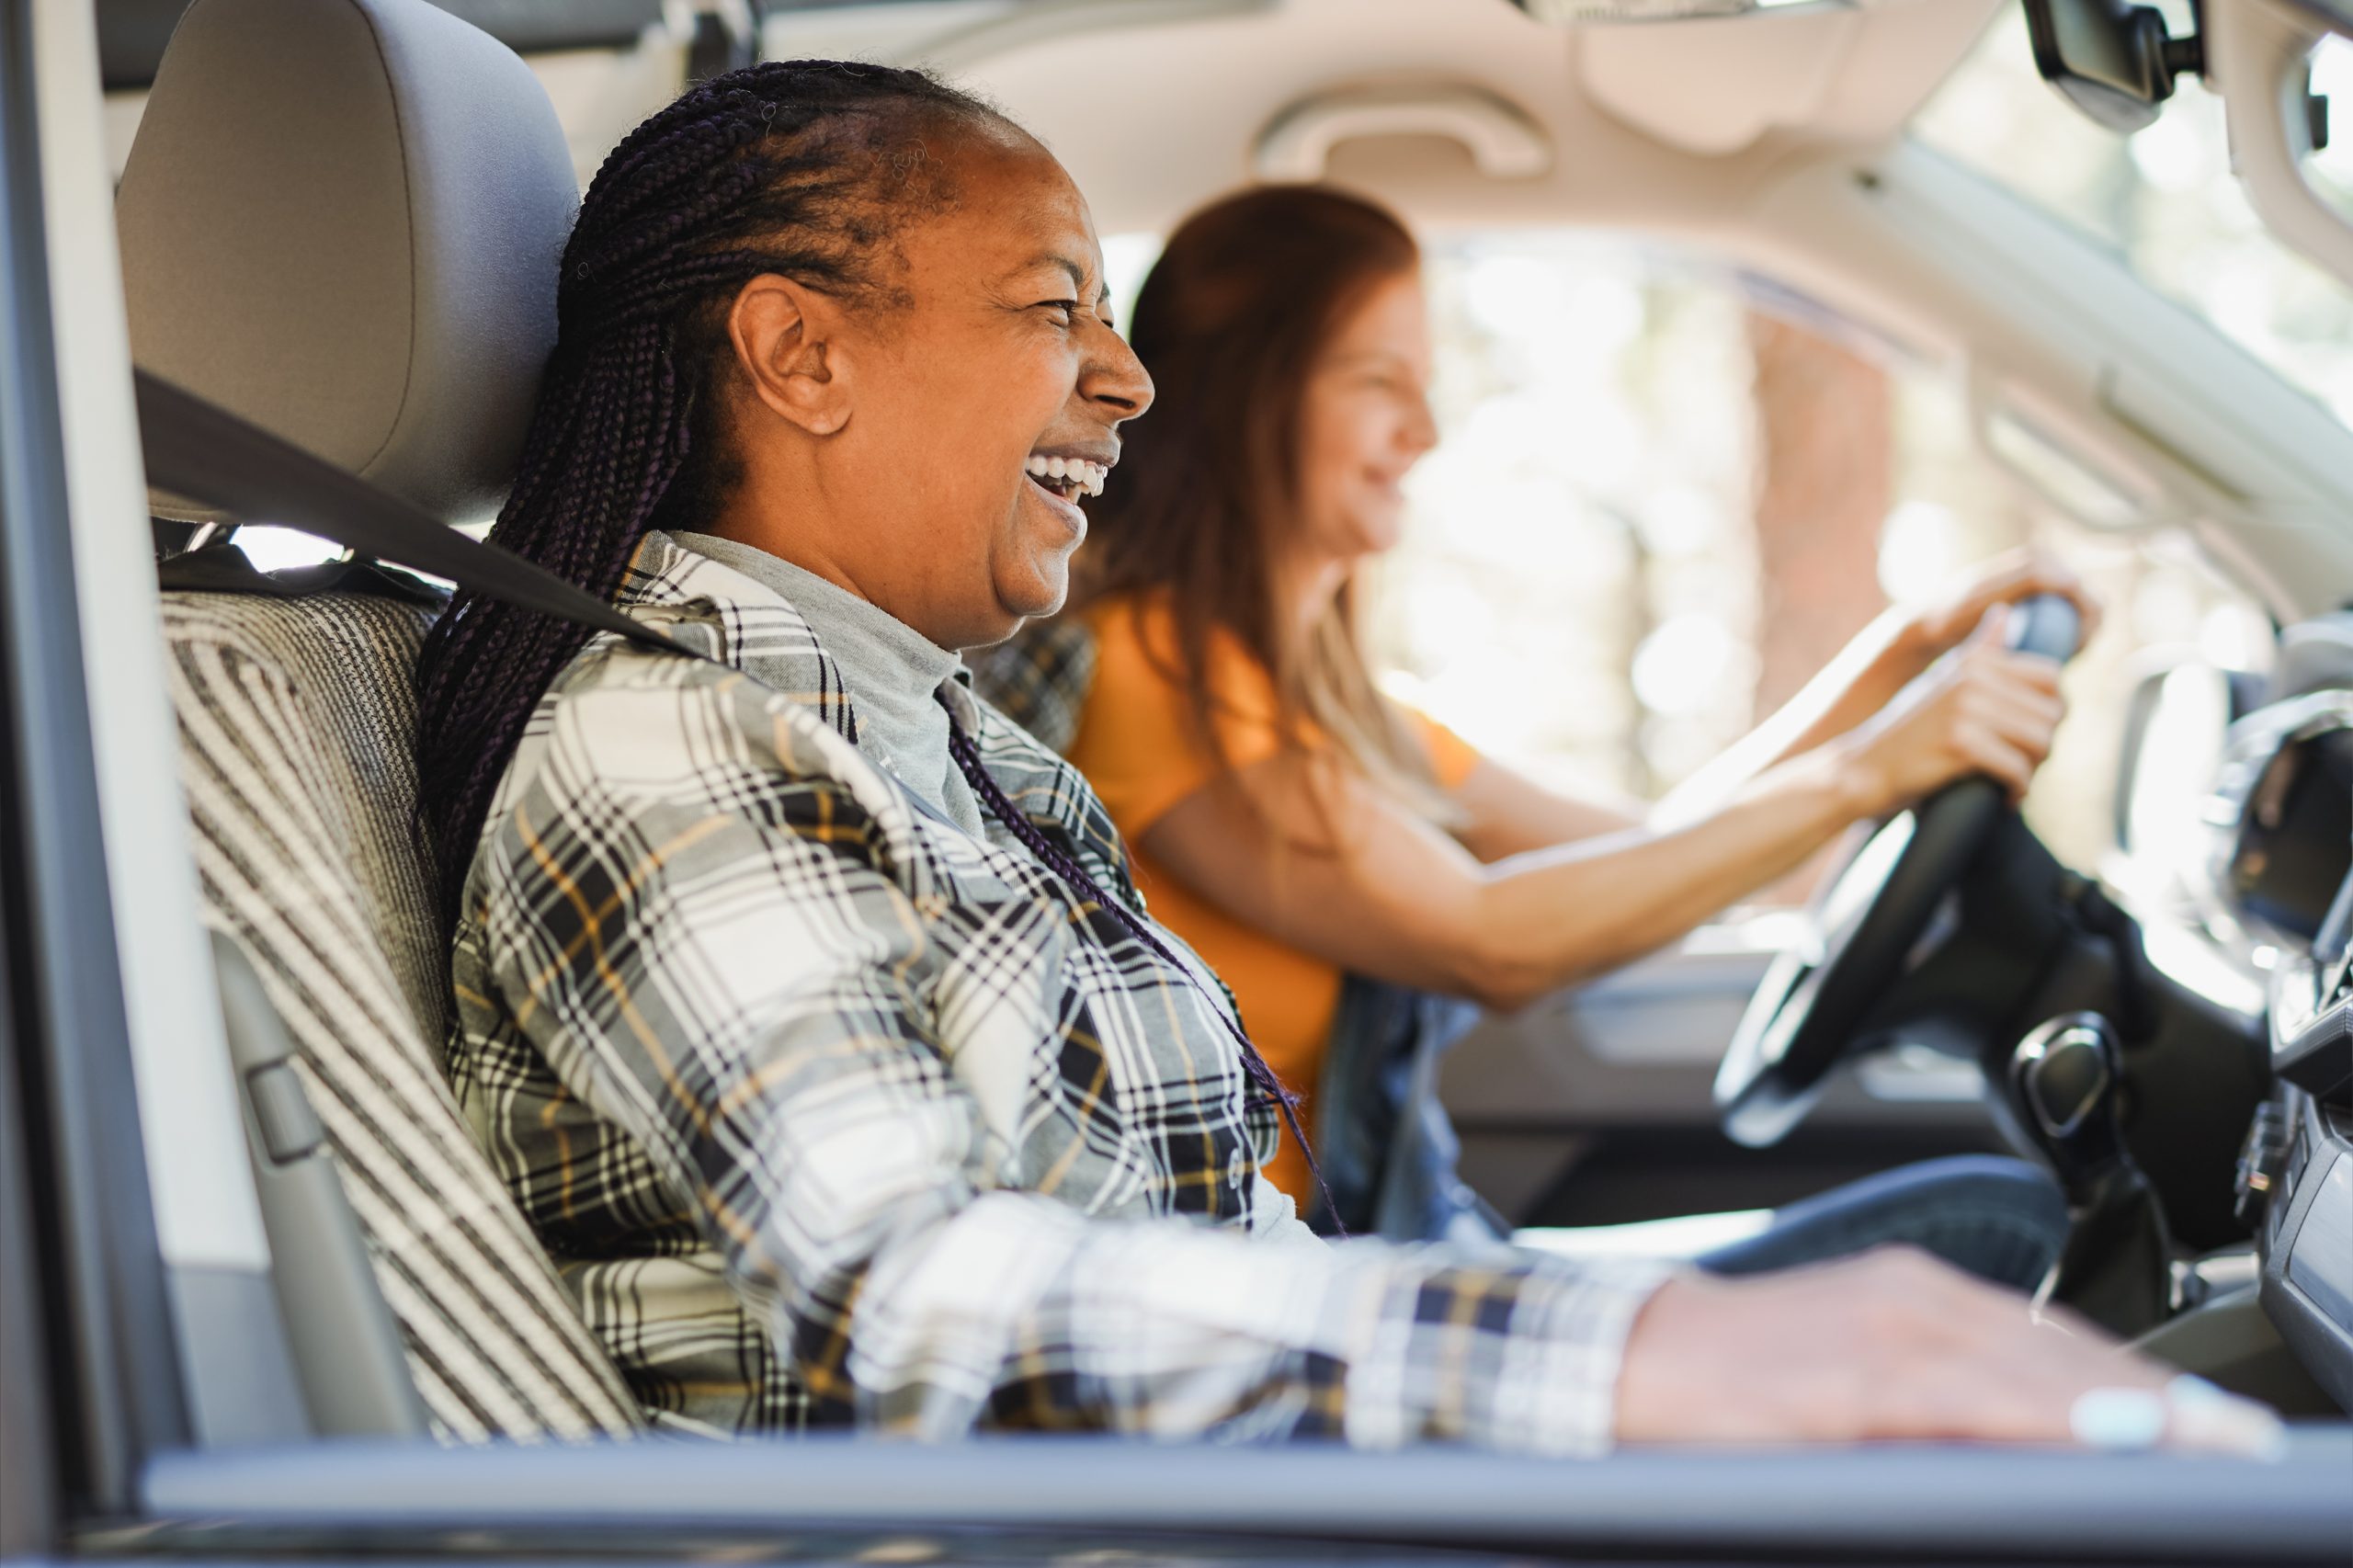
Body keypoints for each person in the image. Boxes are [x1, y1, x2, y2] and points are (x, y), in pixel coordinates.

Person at [413, 62, 2257, 1454]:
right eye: (1054, 308)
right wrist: (1627, 1361)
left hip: (1239, 1444)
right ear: (797, 354)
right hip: (1158, 1496)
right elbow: (913, 1289)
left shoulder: (923, 727)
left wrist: (1886, 686)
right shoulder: (676, 745)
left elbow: (1639, 842)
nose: (1122, 382)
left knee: (1975, 1305)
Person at [999, 184, 2085, 1273]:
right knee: (1988, 1227)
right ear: (1247, 399)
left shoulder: (1323, 706)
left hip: (1392, 1246)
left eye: (1424, 387)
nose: (1423, 432)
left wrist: (1894, 665)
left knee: (1980, 1217)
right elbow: (1493, 941)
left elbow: (1649, 843)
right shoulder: (1153, 677)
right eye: (1380, 384)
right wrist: (1866, 771)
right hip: (1298, 1297)